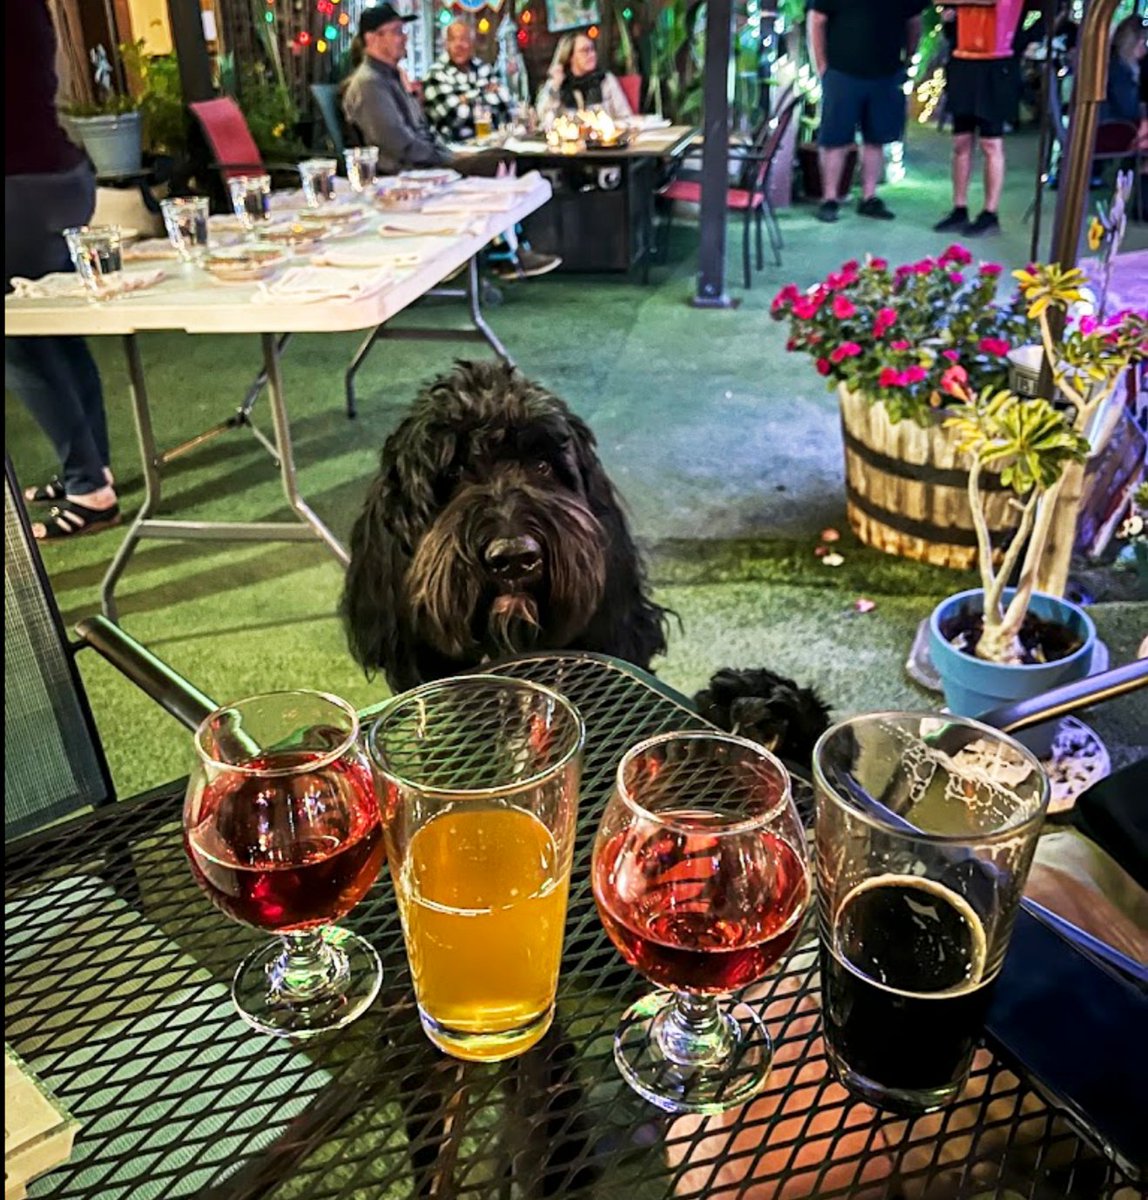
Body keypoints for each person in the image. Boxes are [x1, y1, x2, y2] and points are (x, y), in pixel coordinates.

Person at [5, 0, 119, 540]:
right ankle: (95, 466)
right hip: (61, 176)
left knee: (19, 342)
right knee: (53, 328)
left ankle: (89, 489)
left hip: (17, 185)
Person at [342, 3, 559, 277]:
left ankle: (506, 251)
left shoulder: (390, 77)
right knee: (496, 164)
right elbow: (399, 145)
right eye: (396, 31)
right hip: (406, 173)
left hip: (426, 158)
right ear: (373, 38)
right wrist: (451, 159)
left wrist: (448, 152)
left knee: (503, 158)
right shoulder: (370, 84)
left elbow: (425, 130)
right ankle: (505, 254)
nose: (404, 37)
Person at [806, 0, 924, 224]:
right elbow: (817, 19)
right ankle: (830, 198)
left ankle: (869, 197)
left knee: (876, 138)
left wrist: (909, 59)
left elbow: (914, 21)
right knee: (834, 138)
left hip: (886, 71)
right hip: (841, 72)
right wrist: (821, 66)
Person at [934, 1, 1026, 237]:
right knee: (961, 142)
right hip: (963, 64)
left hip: (995, 66)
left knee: (991, 144)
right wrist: (949, 18)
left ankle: (990, 212)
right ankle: (959, 207)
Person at [423, 21, 513, 144]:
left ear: (472, 44)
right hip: (451, 152)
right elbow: (452, 118)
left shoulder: (483, 68)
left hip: (489, 148)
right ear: (446, 44)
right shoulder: (435, 74)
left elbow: (505, 108)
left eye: (464, 39)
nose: (458, 45)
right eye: (453, 40)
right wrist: (482, 94)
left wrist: (464, 99)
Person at [535, 32, 633, 123]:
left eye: (592, 49)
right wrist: (555, 87)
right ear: (570, 57)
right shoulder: (557, 82)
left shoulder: (605, 79)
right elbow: (543, 118)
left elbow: (625, 116)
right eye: (585, 51)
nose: (592, 55)